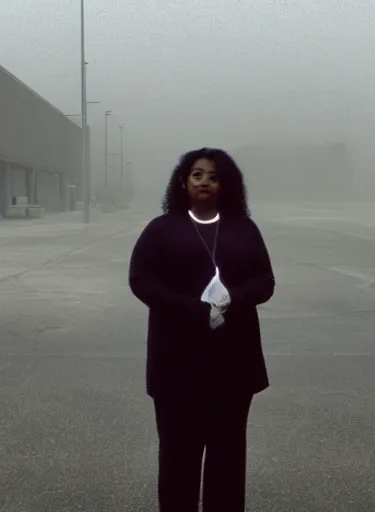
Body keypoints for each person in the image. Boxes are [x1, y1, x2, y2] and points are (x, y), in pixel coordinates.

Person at [128, 147, 275, 511]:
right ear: (183, 181)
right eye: (197, 174)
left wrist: (234, 298)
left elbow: (266, 282)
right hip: (176, 364)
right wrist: (190, 309)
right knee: (178, 458)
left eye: (213, 176)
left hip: (233, 364)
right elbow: (140, 280)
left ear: (226, 185)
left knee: (227, 458)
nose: (204, 181)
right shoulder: (161, 229)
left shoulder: (244, 229)